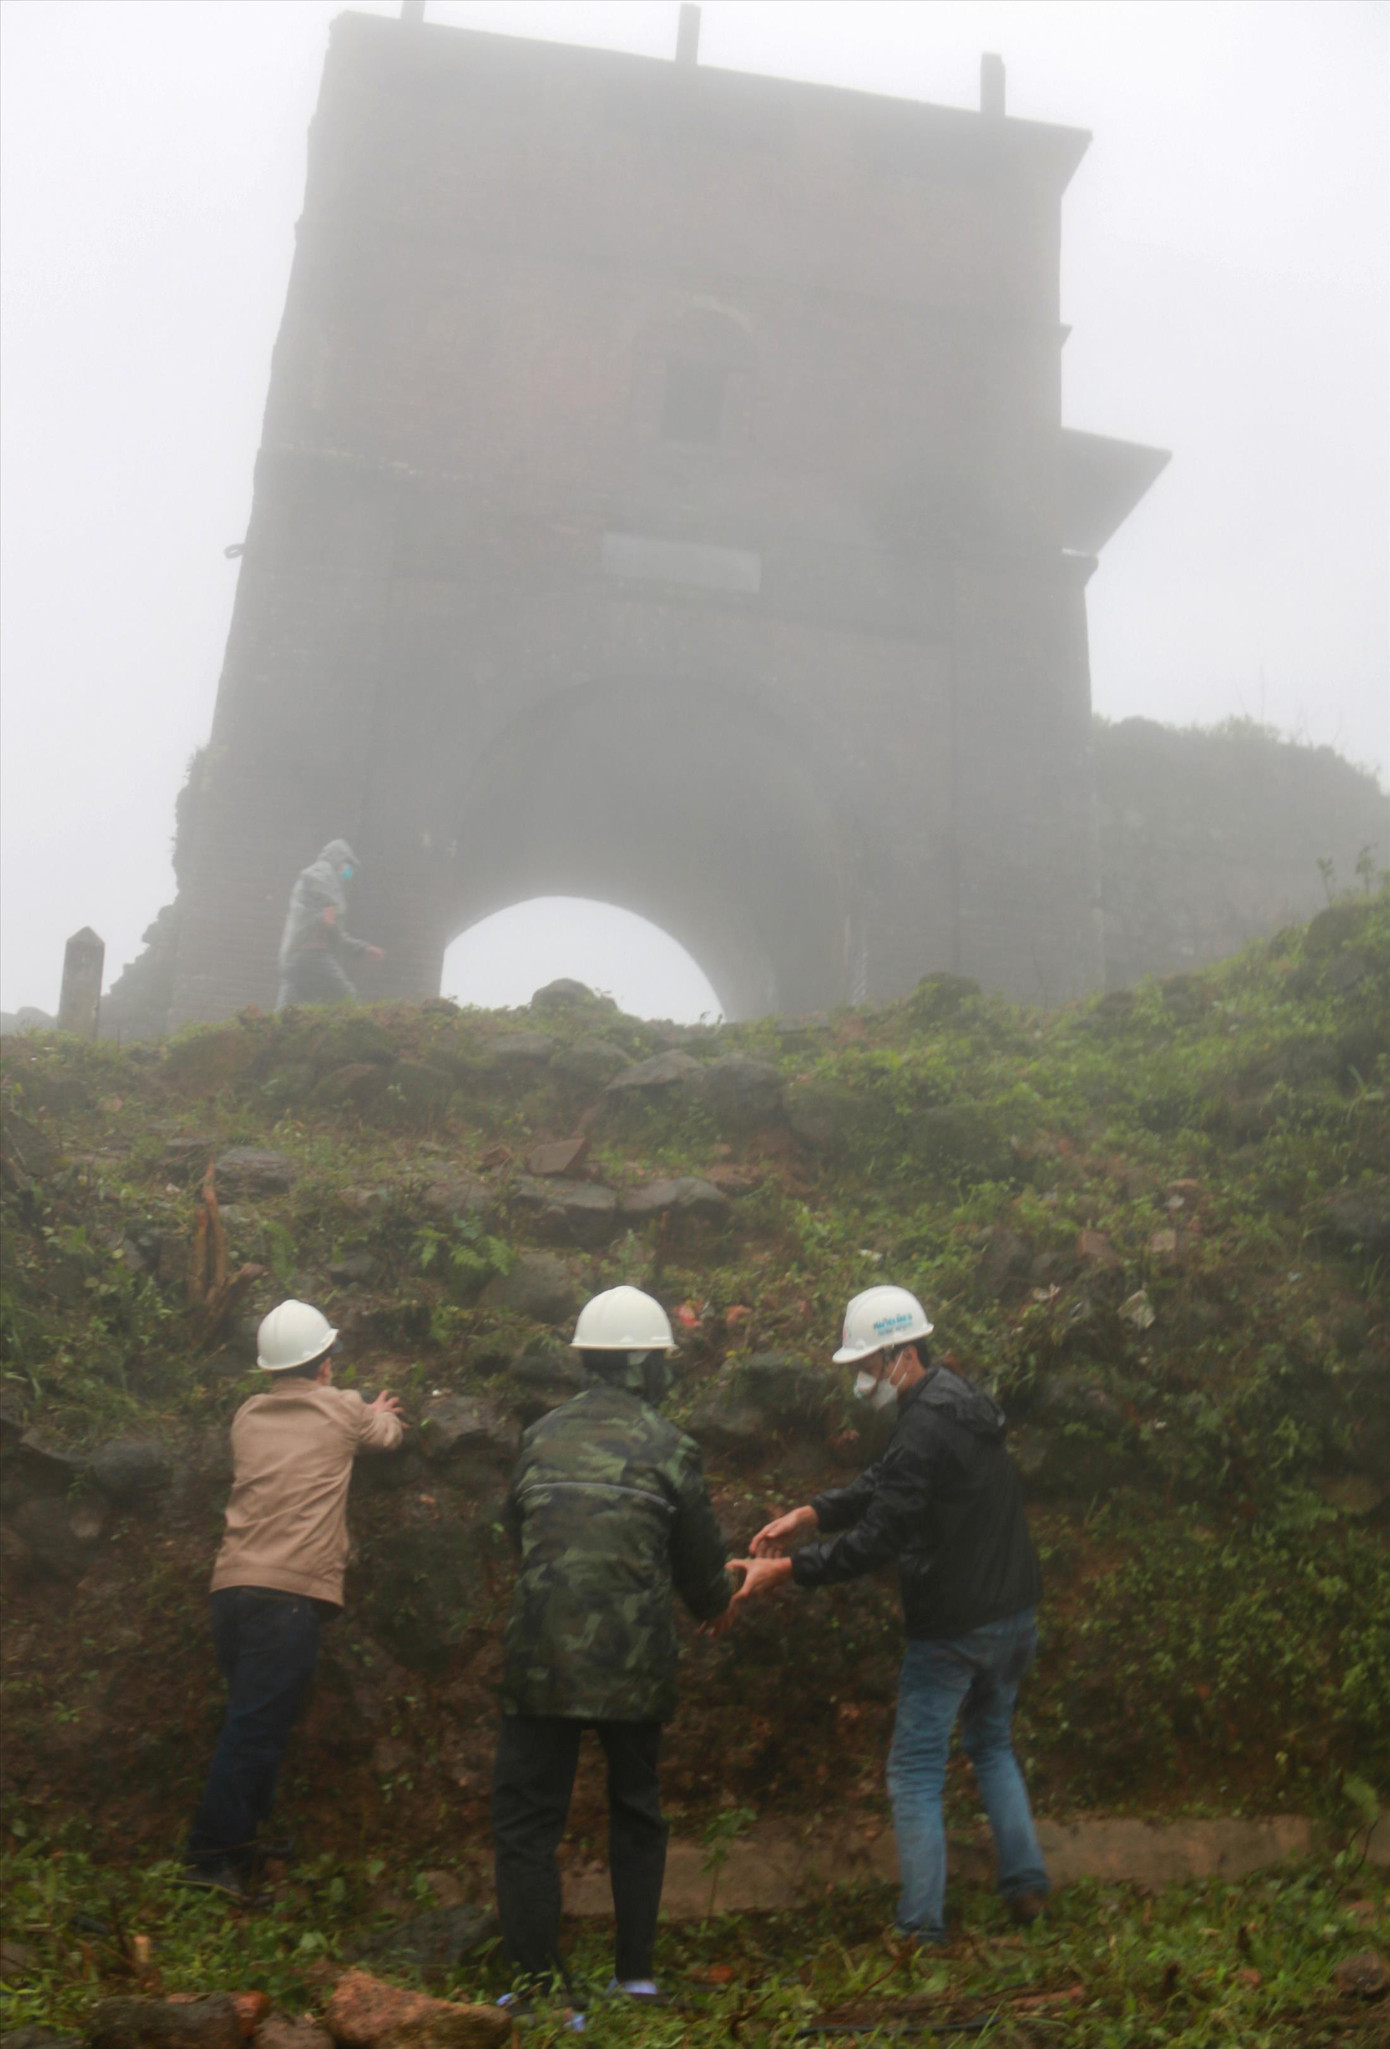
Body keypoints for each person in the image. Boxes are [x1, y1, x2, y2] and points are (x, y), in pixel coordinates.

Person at [729, 1285, 1047, 1947]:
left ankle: (920, 1927)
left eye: (865, 1366)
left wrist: (785, 1571)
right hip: (1013, 1614)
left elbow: (880, 1536)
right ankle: (1026, 1885)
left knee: (915, 1769)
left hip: (954, 1628)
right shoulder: (959, 1401)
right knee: (990, 1743)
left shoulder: (925, 1420)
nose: (859, 1379)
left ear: (900, 1354)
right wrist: (811, 1513)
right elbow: (891, 1478)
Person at [492, 1286, 734, 2020]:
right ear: (644, 1364)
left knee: (529, 1820)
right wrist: (719, 1598)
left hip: (540, 1659)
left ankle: (535, 1986)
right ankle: (635, 1979)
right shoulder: (670, 1444)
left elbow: (518, 1532)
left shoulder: (539, 1436)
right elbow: (702, 1571)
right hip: (633, 1666)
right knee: (636, 1810)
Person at [181, 1300, 404, 1898]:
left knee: (252, 1722)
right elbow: (386, 1435)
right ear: (326, 1364)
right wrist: (375, 1409)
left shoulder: (247, 1415)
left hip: (231, 1588)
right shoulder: (342, 1411)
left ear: (270, 1369)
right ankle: (209, 1858)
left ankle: (241, 1845)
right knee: (254, 1730)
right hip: (289, 1598)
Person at [275, 838, 384, 1010]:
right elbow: (329, 922)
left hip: (292, 960)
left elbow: (329, 927)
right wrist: (359, 947)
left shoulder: (308, 883)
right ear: (338, 859)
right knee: (349, 1000)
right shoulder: (327, 875)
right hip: (313, 955)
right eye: (348, 865)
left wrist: (361, 948)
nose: (349, 871)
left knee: (288, 1016)